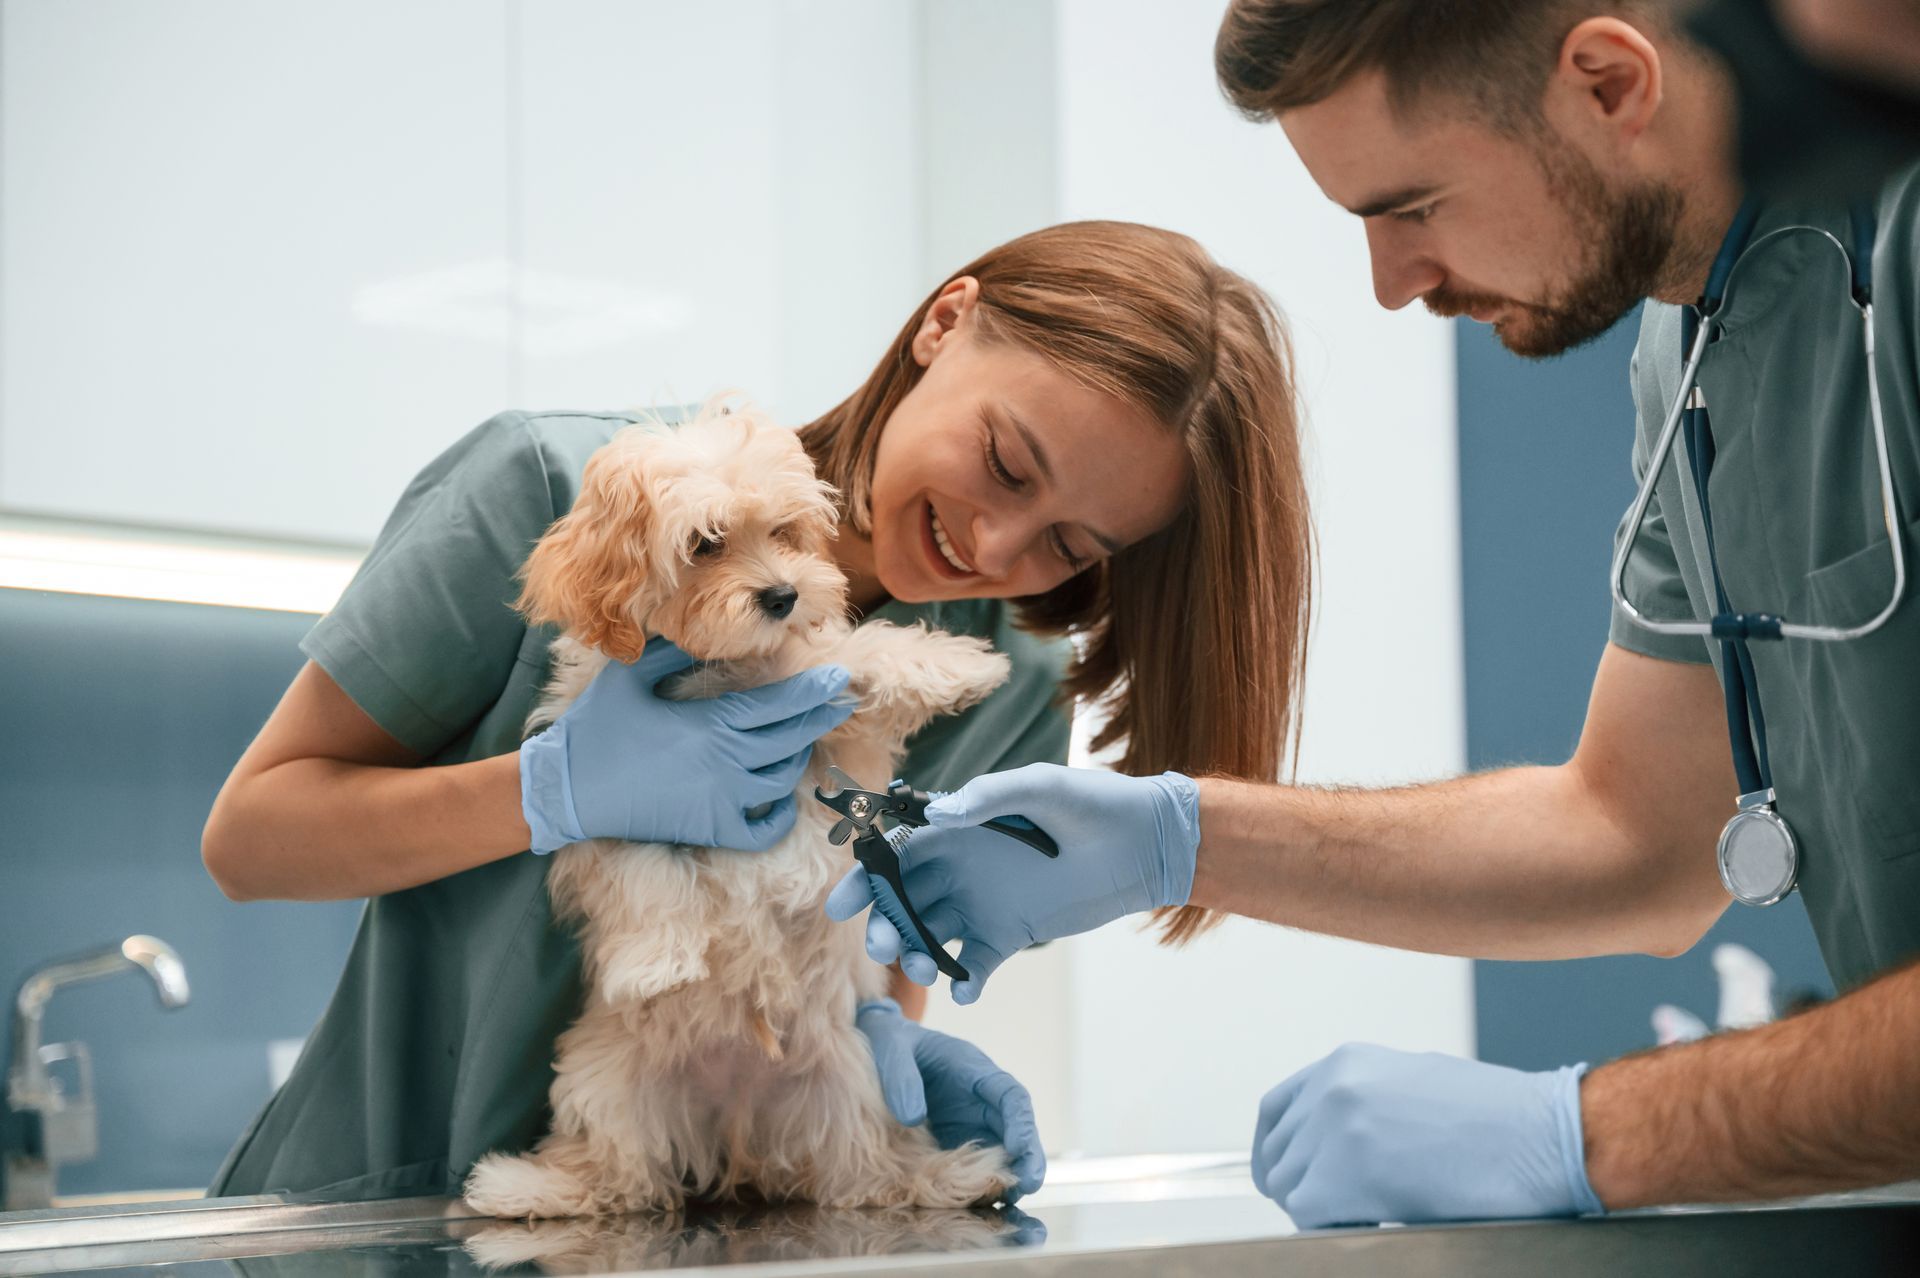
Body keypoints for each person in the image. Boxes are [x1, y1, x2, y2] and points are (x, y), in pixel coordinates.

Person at [830, 0, 1920, 1230]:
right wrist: (1175, 839)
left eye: (1408, 208)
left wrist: (1587, 1132)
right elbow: (1642, 838)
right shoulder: (1690, 350)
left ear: (1610, 84)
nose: (1394, 285)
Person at [198, 220, 1314, 1200]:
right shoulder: (554, 493)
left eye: (1072, 544)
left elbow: (871, 986)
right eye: (1005, 465)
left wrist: (887, 1066)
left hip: (686, 1234)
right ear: (946, 323)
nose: (997, 548)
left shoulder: (1000, 688)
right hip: (385, 1215)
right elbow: (253, 842)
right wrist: (552, 790)